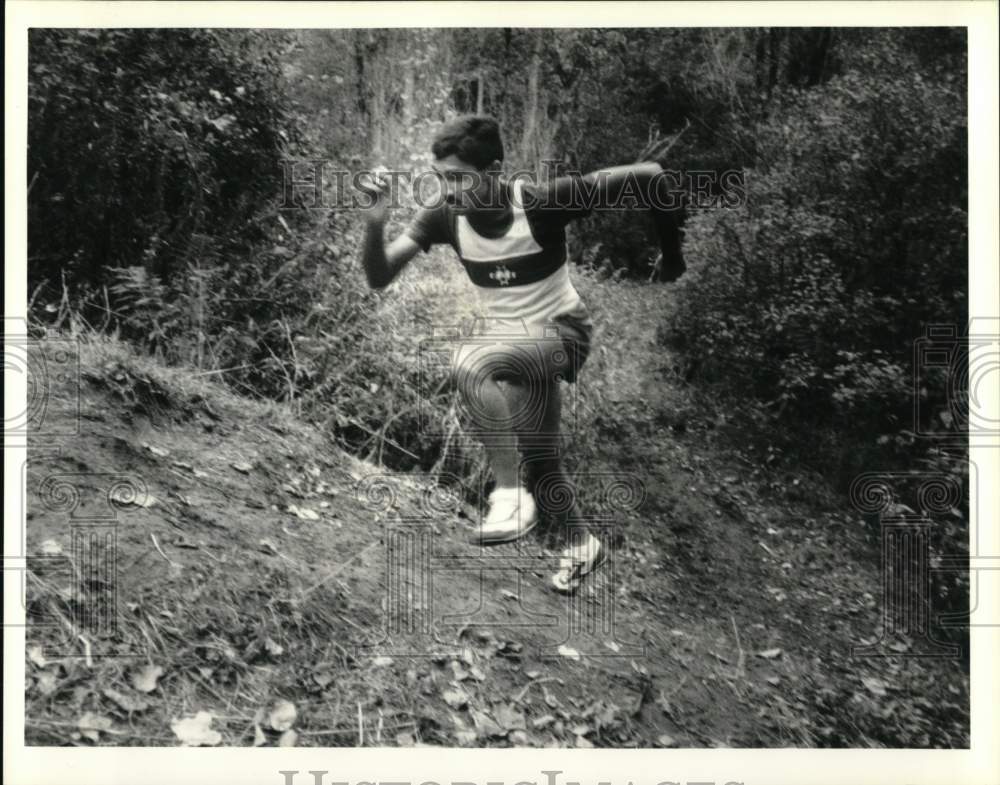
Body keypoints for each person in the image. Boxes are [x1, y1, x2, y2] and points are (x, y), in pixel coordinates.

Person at [360, 115, 672, 593]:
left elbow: (650, 176)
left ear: (494, 172)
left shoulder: (542, 204)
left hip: (562, 336)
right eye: (441, 178)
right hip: (515, 345)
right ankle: (581, 544)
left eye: (459, 178)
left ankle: (508, 496)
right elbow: (379, 277)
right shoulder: (443, 215)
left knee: (470, 362)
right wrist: (375, 223)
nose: (448, 190)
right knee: (541, 459)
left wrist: (673, 256)